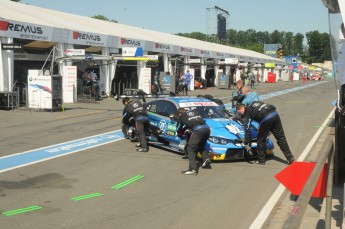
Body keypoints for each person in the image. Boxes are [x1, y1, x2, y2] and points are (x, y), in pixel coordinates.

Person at [176, 108, 211, 175]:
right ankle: (206, 159)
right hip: (207, 128)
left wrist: (180, 133)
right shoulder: (195, 112)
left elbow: (179, 129)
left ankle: (192, 169)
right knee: (201, 145)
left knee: (190, 148)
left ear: (179, 114)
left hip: (198, 130)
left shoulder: (182, 117)